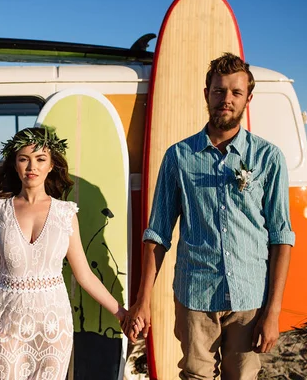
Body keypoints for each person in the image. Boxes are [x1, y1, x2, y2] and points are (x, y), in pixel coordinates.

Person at [123, 53, 294, 379]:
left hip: (249, 300)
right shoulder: (178, 157)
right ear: (206, 94)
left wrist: (273, 313)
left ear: (248, 99)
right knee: (195, 376)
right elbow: (157, 233)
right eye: (218, 91)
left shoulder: (269, 158)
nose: (226, 99)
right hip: (194, 296)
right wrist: (142, 302)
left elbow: (281, 237)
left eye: (235, 92)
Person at [0, 127, 127, 380]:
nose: (31, 167)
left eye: (40, 159)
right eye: (24, 159)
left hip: (53, 327)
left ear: (51, 165)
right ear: (15, 164)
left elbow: (85, 275)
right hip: (5, 323)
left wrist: (121, 313)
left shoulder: (65, 214)